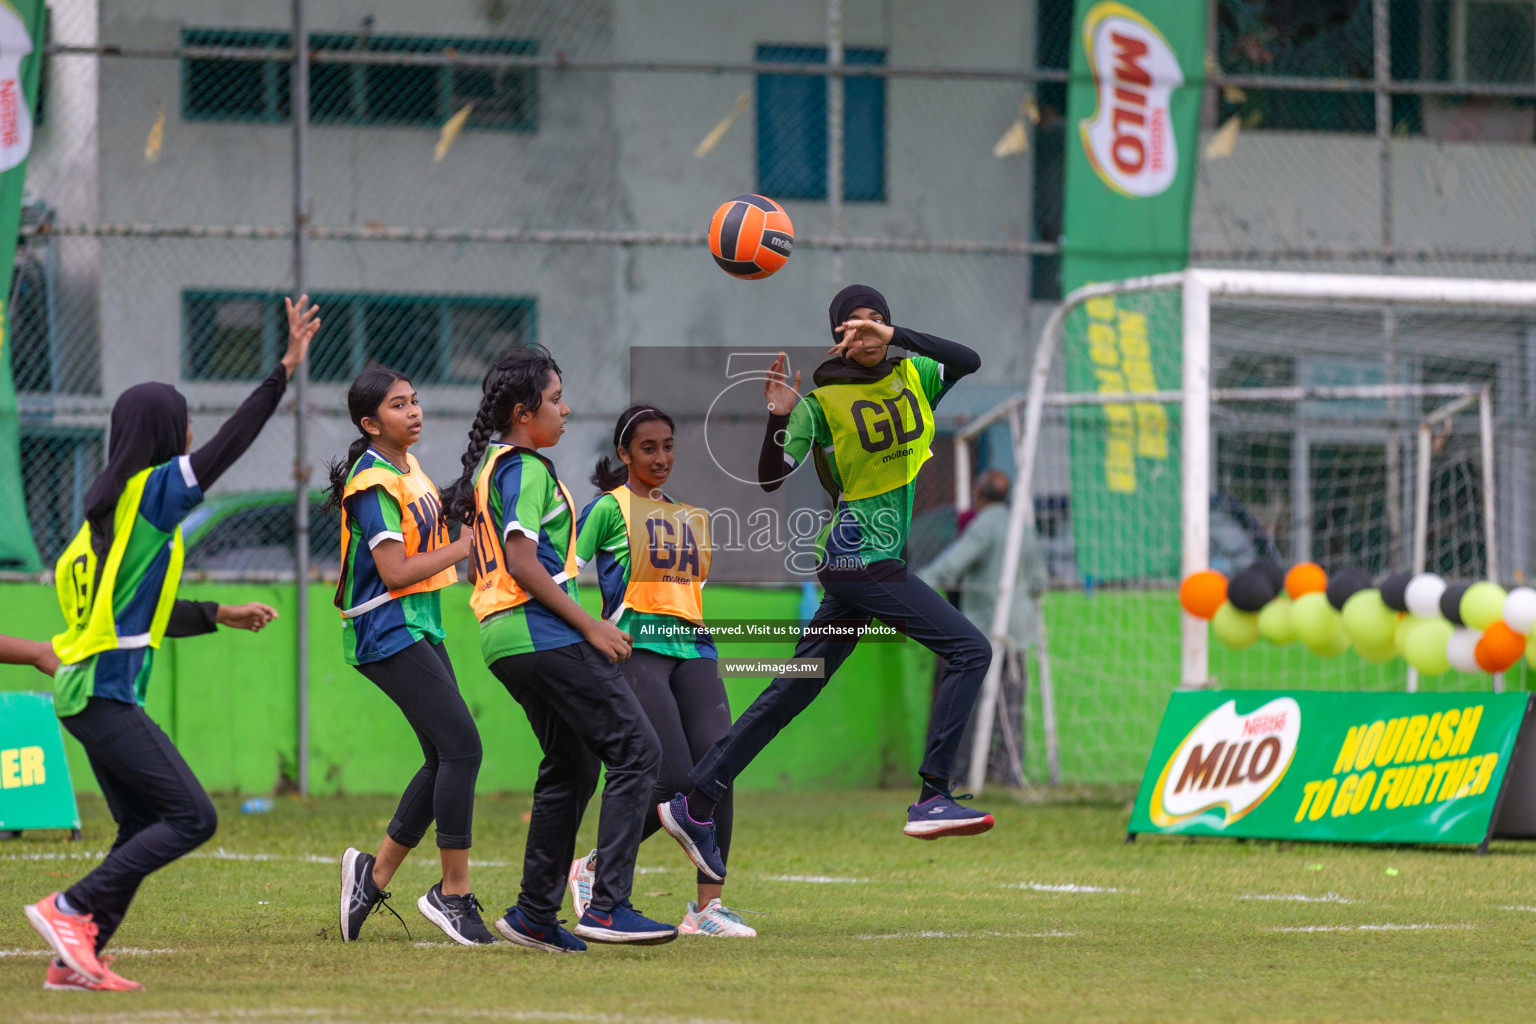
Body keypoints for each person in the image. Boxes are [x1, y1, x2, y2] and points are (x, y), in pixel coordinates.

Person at [23, 296, 320, 992]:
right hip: (102, 694)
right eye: (185, 421)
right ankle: (67, 908)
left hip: (87, 691)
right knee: (192, 816)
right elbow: (227, 450)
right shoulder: (153, 492)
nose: (194, 431)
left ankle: (78, 957)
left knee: (140, 824)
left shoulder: (105, 513)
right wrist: (281, 371)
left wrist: (218, 612)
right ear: (166, 431)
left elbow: (141, 615)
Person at [659, 284, 995, 880]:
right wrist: (778, 416)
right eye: (852, 324)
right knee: (970, 648)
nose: (865, 331)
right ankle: (932, 794)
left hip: (874, 558)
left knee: (796, 686)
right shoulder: (818, 403)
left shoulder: (916, 373)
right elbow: (770, 477)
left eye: (876, 322)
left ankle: (697, 797)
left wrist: (897, 336)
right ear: (835, 335)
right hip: (855, 556)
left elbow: (968, 359)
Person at [442, 345, 674, 952]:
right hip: (537, 632)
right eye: (554, 399)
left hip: (505, 637)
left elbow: (484, 566)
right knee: (637, 750)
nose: (565, 409)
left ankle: (533, 917)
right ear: (524, 412)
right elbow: (521, 561)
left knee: (572, 767)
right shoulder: (525, 468)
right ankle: (607, 906)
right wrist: (591, 627)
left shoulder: (493, 466)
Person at [567, 405, 755, 938]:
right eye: (648, 448)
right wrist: (588, 633)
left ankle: (707, 909)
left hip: (694, 648)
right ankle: (598, 867)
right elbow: (564, 574)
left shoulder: (693, 517)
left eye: (668, 446)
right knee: (670, 781)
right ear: (624, 454)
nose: (661, 457)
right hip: (637, 648)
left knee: (722, 766)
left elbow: (688, 595)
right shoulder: (607, 509)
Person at [326, 368, 494, 946]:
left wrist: (461, 513)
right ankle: (452, 895)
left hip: (418, 620)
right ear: (372, 424)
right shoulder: (370, 480)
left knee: (443, 756)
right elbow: (394, 572)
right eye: (399, 406)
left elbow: (426, 529)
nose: (414, 411)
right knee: (463, 749)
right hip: (384, 625)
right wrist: (464, 546)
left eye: (415, 401)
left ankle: (370, 880)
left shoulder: (407, 468)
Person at [918, 469, 1048, 788]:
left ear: (979, 494)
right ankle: (1010, 774)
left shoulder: (983, 525)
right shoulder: (1022, 528)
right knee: (1013, 704)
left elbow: (951, 565)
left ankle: (961, 773)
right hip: (1018, 632)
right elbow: (1040, 582)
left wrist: (908, 586)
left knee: (968, 704)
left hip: (985, 630)